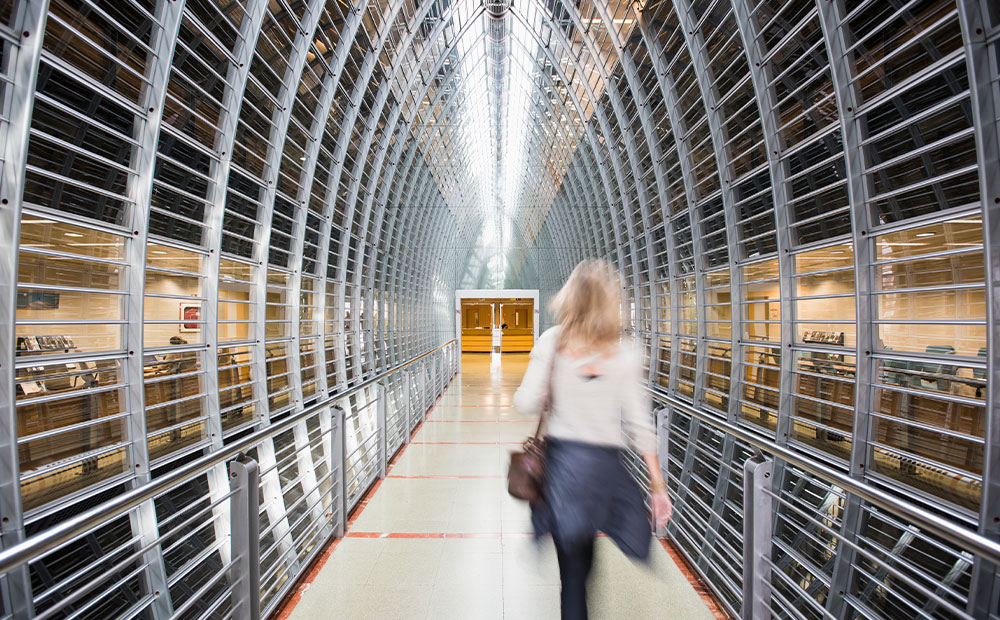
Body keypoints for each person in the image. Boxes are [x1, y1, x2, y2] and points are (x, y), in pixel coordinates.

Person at [513, 259, 672, 620]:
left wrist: (555, 392)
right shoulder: (626, 354)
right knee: (585, 561)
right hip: (604, 474)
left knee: (572, 571)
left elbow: (524, 402)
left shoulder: (552, 343)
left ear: (569, 299)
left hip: (564, 472)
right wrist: (657, 485)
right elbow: (639, 424)